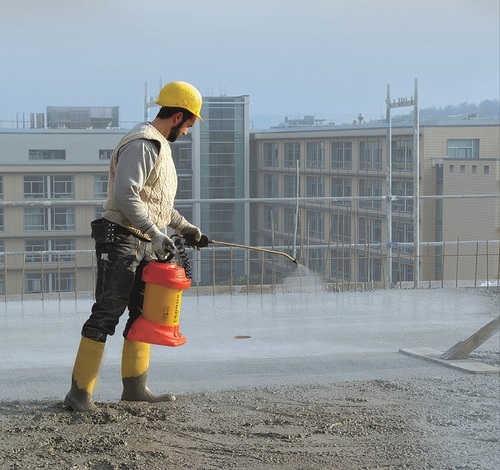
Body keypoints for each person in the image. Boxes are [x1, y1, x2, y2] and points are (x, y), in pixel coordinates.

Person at [64, 81, 204, 412]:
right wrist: (156, 232)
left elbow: (157, 203)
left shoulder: (160, 147)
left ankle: (135, 388)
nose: (186, 133)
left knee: (144, 315)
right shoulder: (143, 144)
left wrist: (187, 229)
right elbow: (127, 196)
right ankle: (79, 395)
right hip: (121, 238)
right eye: (188, 126)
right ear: (178, 116)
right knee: (107, 313)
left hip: (143, 240)